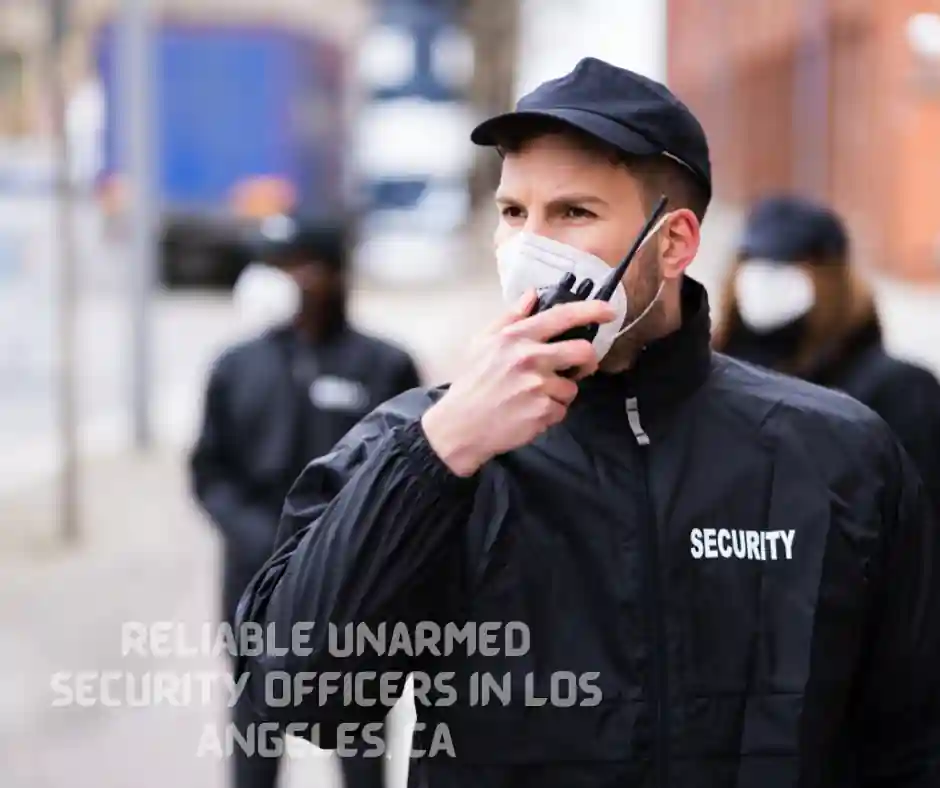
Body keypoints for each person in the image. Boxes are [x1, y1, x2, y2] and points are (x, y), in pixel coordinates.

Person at [234, 59, 940, 787]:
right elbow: (301, 695)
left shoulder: (834, 453)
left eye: (573, 213)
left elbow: (911, 734)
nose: (531, 249)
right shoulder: (422, 443)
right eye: (514, 214)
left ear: (674, 244)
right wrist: (438, 455)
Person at [190, 219, 421, 788]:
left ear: (335, 275)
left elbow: (413, 475)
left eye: (298, 266)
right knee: (254, 748)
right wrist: (257, 538)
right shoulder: (236, 366)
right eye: (274, 267)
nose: (285, 281)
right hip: (254, 593)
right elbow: (208, 472)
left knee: (361, 749)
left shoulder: (384, 365)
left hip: (356, 596)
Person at [713, 194, 940, 515]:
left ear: (832, 276)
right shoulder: (706, 381)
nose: (766, 278)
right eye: (753, 259)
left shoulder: (898, 390)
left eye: (792, 264)